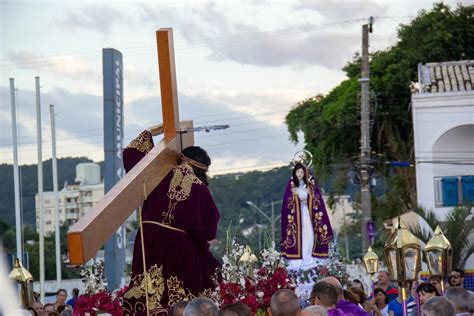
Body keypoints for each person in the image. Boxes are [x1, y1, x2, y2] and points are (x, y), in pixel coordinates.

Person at [121, 128, 221, 314]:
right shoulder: (202, 190)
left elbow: (130, 154)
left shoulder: (158, 173)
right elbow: (208, 231)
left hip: (147, 238)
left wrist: (151, 132)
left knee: (146, 289)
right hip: (177, 245)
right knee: (178, 291)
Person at [280, 162, 334, 270]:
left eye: (301, 172)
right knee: (299, 235)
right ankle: (298, 259)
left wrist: (309, 196)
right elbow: (286, 205)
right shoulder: (291, 188)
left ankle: (308, 257)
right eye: (297, 172)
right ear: (294, 173)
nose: (299, 174)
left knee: (309, 234)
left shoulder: (310, 187)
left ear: (305, 174)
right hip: (296, 218)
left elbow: (318, 203)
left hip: (308, 216)